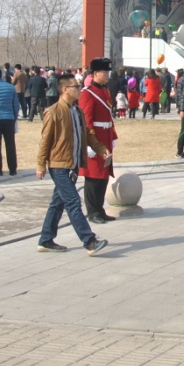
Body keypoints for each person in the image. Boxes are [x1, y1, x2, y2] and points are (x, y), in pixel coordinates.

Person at [35, 73, 110, 256]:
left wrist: (101, 149)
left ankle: (45, 240)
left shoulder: (77, 111)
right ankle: (89, 241)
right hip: (59, 165)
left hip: (73, 163)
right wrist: (41, 164)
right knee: (73, 201)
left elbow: (87, 135)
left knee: (57, 203)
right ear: (64, 90)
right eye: (75, 87)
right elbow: (45, 140)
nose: (79, 89)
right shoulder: (53, 112)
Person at [78, 58, 118, 225]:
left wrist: (113, 136)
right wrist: (89, 143)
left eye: (108, 72)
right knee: (93, 177)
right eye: (105, 72)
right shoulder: (87, 93)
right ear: (95, 73)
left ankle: (100, 210)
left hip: (105, 137)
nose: (108, 75)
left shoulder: (105, 91)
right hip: (95, 139)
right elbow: (86, 120)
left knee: (103, 176)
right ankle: (92, 212)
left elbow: (109, 116)